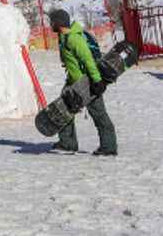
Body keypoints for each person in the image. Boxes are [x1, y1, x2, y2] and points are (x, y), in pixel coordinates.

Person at [48, 9, 117, 156]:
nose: (50, 25)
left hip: (86, 83)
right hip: (74, 82)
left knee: (98, 113)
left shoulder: (74, 39)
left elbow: (87, 60)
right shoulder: (64, 37)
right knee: (62, 108)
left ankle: (109, 146)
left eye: (52, 22)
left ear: (58, 23)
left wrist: (97, 81)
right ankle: (67, 143)